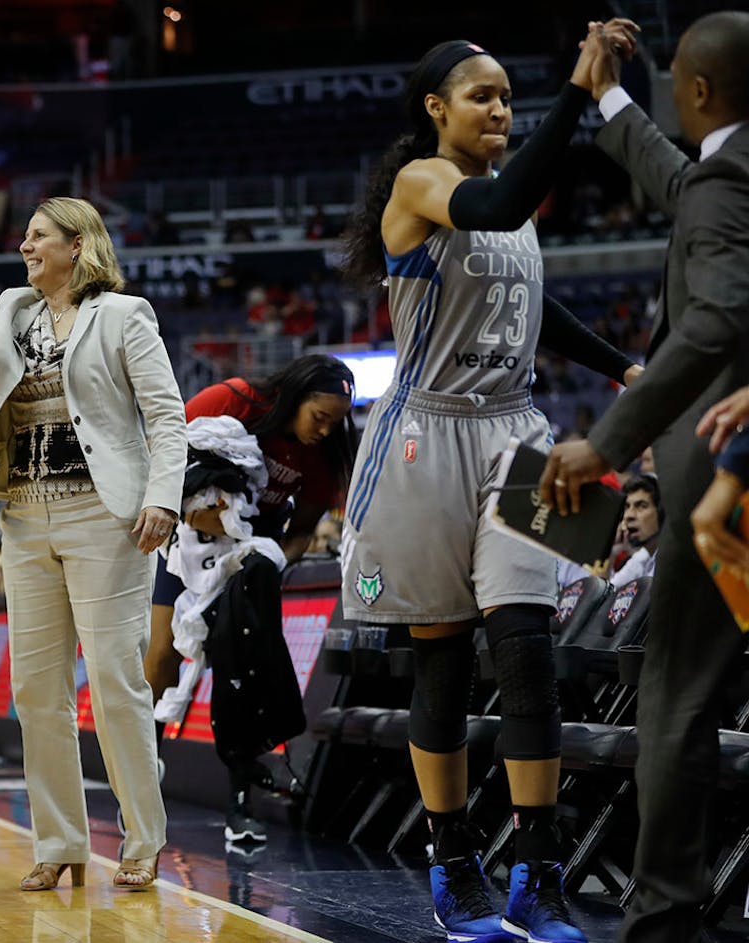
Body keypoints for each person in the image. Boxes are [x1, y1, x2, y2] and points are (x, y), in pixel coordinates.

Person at [337, 22, 639, 943]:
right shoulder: (423, 184)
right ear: (437, 111)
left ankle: (537, 872)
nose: (501, 108)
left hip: (519, 434)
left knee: (527, 648)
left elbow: (533, 309)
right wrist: (579, 96)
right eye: (483, 95)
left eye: (510, 94)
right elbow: (504, 202)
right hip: (426, 433)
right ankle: (451, 854)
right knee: (443, 655)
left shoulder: (510, 205)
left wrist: (629, 370)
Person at [537, 12, 749, 941]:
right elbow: (685, 182)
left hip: (727, 471)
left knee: (682, 690)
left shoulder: (727, 179)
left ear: (696, 93)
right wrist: (607, 95)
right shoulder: (725, 175)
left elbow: (714, 322)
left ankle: (664, 909)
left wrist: (613, 440)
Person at [0, 197, 186, 891]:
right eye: (26, 237)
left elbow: (165, 413)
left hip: (106, 516)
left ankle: (142, 837)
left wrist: (164, 496)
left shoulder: (124, 316)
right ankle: (62, 840)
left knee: (113, 679)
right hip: (24, 515)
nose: (26, 247)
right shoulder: (12, 310)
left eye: (39, 237)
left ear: (78, 245)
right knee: (36, 690)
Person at [143, 355, 356, 844]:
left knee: (240, 675)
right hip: (188, 541)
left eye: (336, 421)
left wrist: (270, 557)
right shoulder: (236, 399)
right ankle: (141, 783)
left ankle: (241, 804)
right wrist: (187, 509)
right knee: (160, 658)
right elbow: (164, 446)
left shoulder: (322, 459)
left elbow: (303, 531)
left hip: (253, 557)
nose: (326, 430)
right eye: (319, 417)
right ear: (294, 396)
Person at [609, 476, 660, 587]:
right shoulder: (642, 557)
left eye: (641, 506)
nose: (629, 515)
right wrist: (611, 553)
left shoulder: (674, 558)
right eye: (627, 507)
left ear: (661, 513)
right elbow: (606, 595)